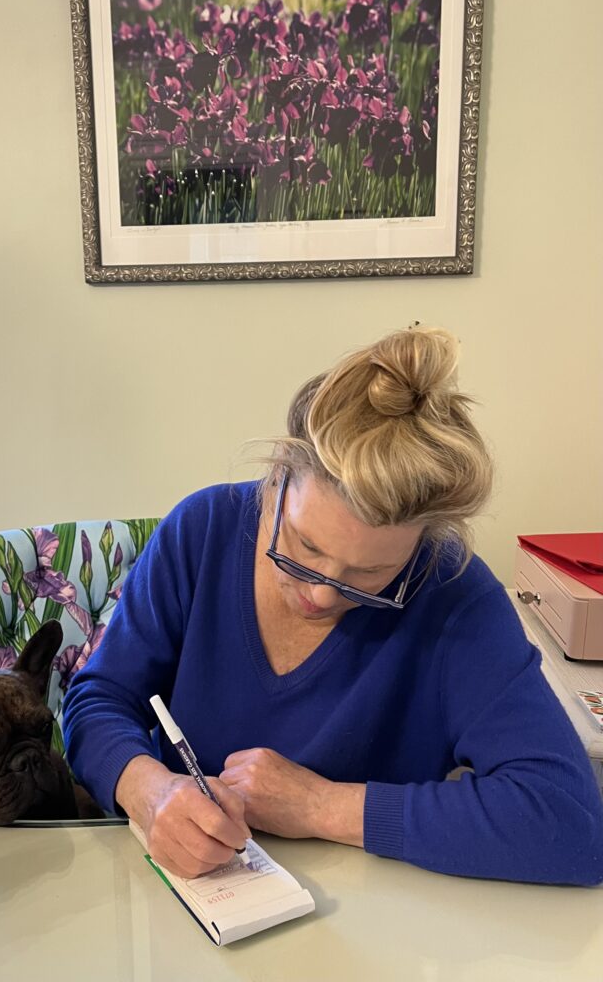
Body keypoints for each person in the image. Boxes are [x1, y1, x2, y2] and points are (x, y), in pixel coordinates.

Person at [63, 326, 603, 885]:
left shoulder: (453, 595)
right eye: (302, 549)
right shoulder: (201, 534)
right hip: (185, 898)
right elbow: (96, 701)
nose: (321, 594)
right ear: (275, 479)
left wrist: (322, 806)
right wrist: (152, 792)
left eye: (371, 576)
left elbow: (571, 823)